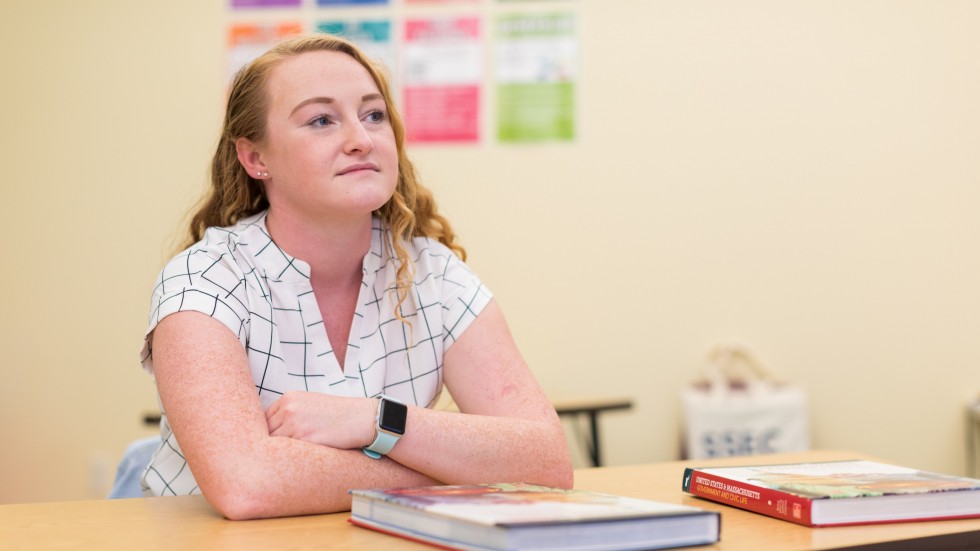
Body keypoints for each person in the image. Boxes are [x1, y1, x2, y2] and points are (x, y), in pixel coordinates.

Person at [138, 34, 573, 520]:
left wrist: (373, 422)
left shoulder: (433, 271)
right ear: (255, 158)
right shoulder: (205, 277)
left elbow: (548, 462)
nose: (361, 139)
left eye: (374, 115)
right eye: (322, 120)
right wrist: (452, 467)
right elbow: (248, 485)